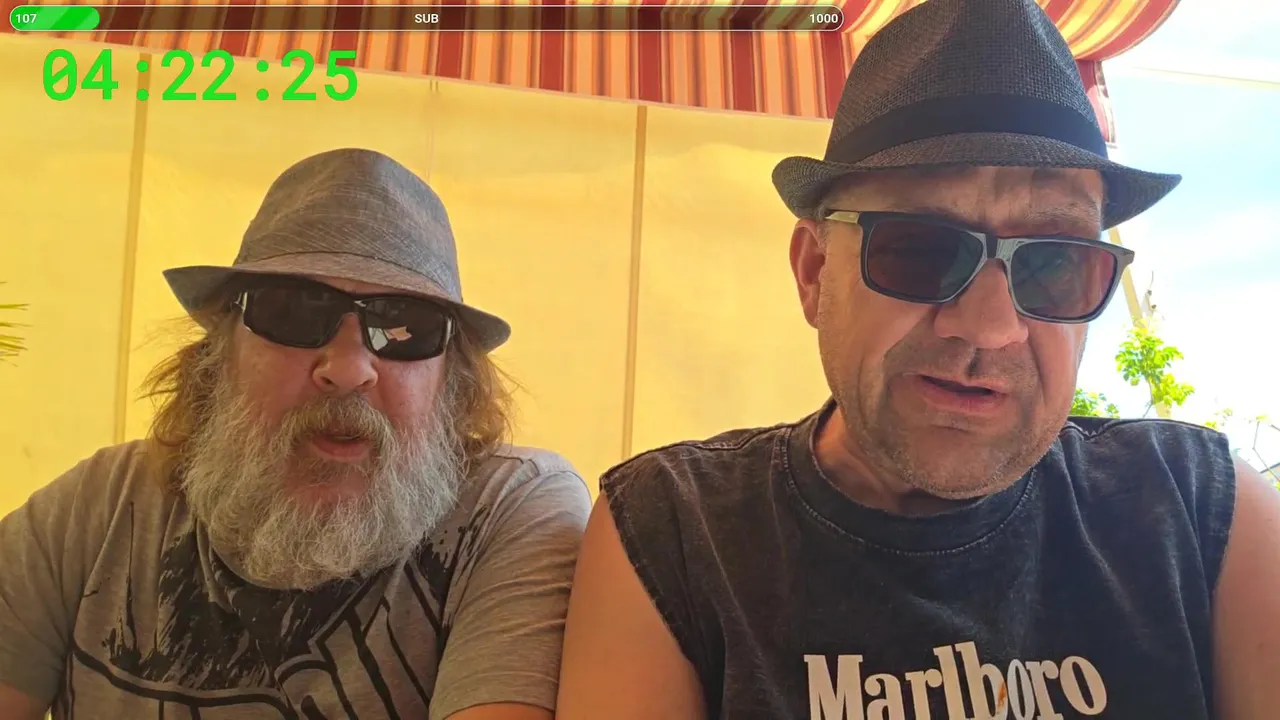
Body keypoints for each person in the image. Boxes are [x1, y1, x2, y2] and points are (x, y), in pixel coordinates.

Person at [555, 1, 1280, 718]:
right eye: (920, 249)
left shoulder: (1201, 513)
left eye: (1054, 263)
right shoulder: (677, 535)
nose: (990, 327)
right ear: (814, 273)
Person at [0, 148, 592, 719]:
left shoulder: (508, 513)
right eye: (294, 312)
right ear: (218, 355)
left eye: (405, 327)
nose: (348, 370)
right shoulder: (96, 513)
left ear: (453, 380)